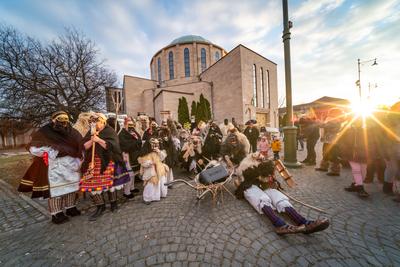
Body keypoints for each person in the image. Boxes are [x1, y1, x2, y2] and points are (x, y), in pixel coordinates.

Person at [18, 111, 83, 224]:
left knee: (71, 188)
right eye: (60, 119)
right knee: (56, 191)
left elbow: (80, 145)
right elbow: (34, 147)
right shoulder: (45, 131)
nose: (63, 122)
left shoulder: (73, 132)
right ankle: (57, 214)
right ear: (53, 120)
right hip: (55, 165)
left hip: (71, 164)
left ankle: (71, 208)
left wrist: (80, 159)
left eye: (65, 119)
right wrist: (50, 151)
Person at [235, 159, 330, 235]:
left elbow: (268, 179)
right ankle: (280, 225)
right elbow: (239, 177)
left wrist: (269, 182)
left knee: (277, 196)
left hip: (262, 184)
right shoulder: (247, 167)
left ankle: (303, 222)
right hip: (247, 184)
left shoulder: (261, 164)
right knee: (261, 198)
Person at [80, 113, 130, 221]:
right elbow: (83, 146)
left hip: (108, 161)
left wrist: (98, 140)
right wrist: (91, 140)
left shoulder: (109, 131)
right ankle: (100, 206)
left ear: (102, 121)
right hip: (93, 163)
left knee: (111, 185)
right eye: (92, 122)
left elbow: (113, 146)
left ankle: (113, 204)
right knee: (92, 184)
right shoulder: (91, 132)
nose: (93, 124)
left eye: (96, 122)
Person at [339, 117, 369, 198]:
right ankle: (360, 188)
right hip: (351, 152)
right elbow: (341, 140)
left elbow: (373, 141)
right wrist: (343, 152)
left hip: (364, 152)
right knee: (356, 169)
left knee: (363, 170)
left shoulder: (367, 128)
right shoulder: (347, 128)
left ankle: (356, 184)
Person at [138, 138, 169, 204]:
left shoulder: (158, 151)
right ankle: (147, 198)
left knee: (161, 182)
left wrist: (159, 152)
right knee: (151, 184)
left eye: (157, 144)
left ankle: (159, 195)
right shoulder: (145, 153)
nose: (156, 146)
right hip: (151, 171)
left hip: (160, 169)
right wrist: (150, 163)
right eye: (154, 144)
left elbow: (163, 158)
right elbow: (143, 163)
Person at [315, 108, 345, 176]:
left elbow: (324, 126)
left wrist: (319, 122)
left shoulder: (335, 120)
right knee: (325, 153)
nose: (328, 113)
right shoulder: (332, 119)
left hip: (333, 140)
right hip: (328, 139)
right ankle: (323, 167)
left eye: (330, 112)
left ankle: (335, 171)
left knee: (333, 155)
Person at [119, 117, 142, 199]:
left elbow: (139, 139)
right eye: (129, 124)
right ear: (125, 124)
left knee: (134, 173)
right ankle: (126, 192)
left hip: (134, 155)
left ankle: (132, 188)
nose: (131, 126)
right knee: (130, 174)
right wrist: (136, 143)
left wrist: (137, 142)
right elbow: (125, 145)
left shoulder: (133, 131)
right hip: (126, 155)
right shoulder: (122, 133)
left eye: (132, 124)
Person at [382, 101, 400, 201]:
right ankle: (388, 188)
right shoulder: (390, 119)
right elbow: (385, 135)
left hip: (392, 145)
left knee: (392, 168)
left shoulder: (389, 118)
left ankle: (388, 188)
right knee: (391, 168)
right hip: (392, 145)